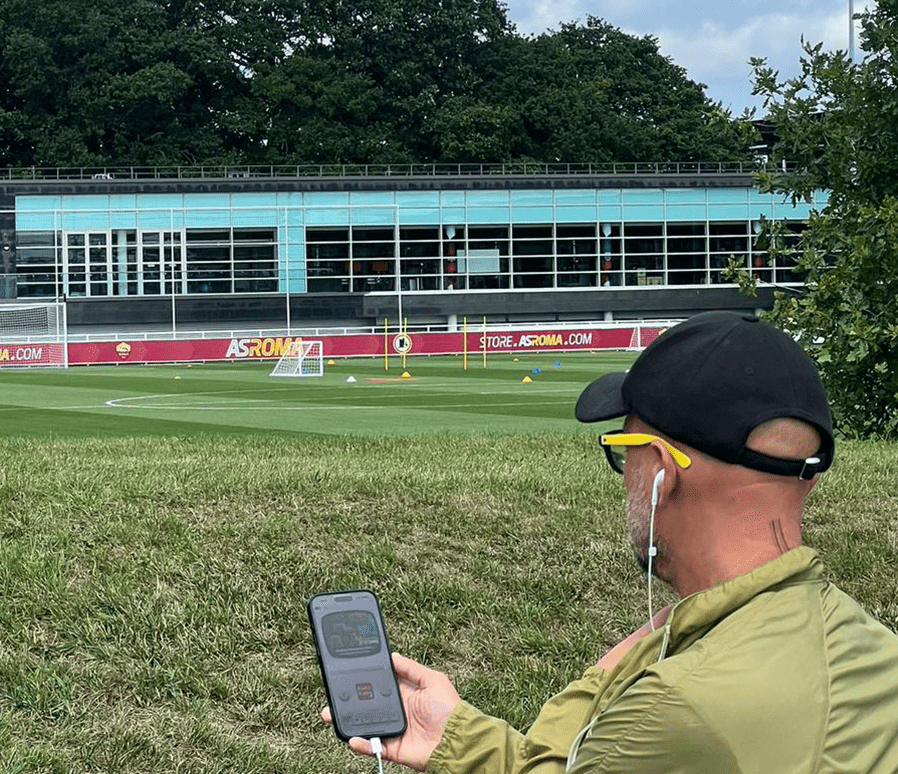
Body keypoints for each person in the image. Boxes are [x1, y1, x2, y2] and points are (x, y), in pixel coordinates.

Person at [323, 311, 898, 772]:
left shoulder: (670, 709)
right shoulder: (874, 650)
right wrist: (462, 741)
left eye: (624, 450)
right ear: (808, 476)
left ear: (662, 471)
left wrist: (615, 667)